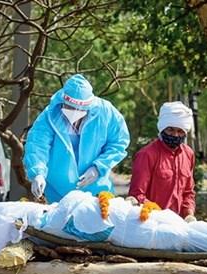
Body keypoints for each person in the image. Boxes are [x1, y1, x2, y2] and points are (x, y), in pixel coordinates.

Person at [23, 74, 130, 202]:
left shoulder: (106, 113)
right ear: (63, 101)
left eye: (79, 109)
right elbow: (37, 145)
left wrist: (98, 167)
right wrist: (38, 173)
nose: (74, 112)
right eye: (69, 107)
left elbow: (119, 142)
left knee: (99, 214)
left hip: (97, 189)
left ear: (89, 106)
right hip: (58, 192)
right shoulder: (50, 115)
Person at [128, 102, 196, 221]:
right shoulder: (146, 155)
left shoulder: (188, 154)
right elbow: (137, 195)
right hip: (152, 222)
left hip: (180, 224)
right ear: (162, 128)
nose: (175, 135)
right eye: (170, 130)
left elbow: (188, 192)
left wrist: (189, 214)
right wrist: (160, 215)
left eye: (180, 131)